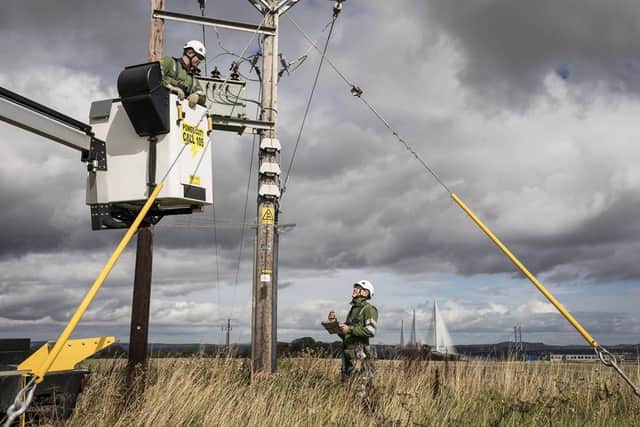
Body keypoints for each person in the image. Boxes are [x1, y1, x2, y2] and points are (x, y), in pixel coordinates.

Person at [328, 280, 378, 392]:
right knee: (347, 392)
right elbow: (346, 335)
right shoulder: (353, 310)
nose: (354, 289)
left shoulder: (369, 309)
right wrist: (334, 323)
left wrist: (349, 328)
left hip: (360, 358)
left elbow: (371, 331)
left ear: (365, 293)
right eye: (354, 287)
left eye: (358, 287)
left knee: (360, 394)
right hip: (348, 358)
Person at [159, 40, 207, 108]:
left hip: (178, 112)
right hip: (162, 105)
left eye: (201, 59)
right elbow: (154, 77)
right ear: (190, 53)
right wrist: (172, 88)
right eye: (199, 57)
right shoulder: (170, 62)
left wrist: (197, 96)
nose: (199, 61)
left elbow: (203, 96)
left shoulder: (193, 80)